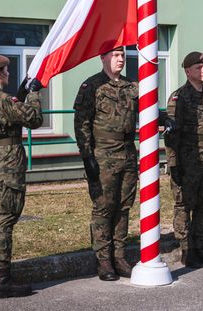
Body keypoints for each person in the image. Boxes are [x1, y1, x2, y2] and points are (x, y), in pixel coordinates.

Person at [0, 54, 43, 298]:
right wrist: (33, 94)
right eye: (6, 69)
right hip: (7, 162)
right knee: (4, 221)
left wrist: (20, 94)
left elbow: (8, 116)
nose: (9, 73)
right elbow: (34, 119)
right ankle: (3, 281)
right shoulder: (4, 99)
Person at [73, 46, 138, 281]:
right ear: (103, 58)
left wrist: (164, 118)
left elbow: (147, 112)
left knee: (123, 206)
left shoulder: (132, 87)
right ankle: (103, 260)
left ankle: (119, 257)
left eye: (123, 55)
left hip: (127, 152)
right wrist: (87, 156)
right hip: (103, 154)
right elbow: (81, 123)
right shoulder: (92, 86)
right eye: (116, 55)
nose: (121, 59)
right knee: (104, 206)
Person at [164, 51, 203, 268]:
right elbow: (171, 135)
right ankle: (187, 249)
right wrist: (174, 164)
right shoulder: (179, 97)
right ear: (187, 71)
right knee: (184, 204)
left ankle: (201, 246)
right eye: (199, 68)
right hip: (189, 161)